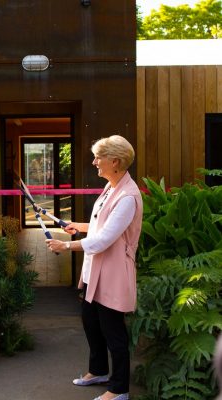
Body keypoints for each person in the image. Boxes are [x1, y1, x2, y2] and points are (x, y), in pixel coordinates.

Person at [46, 135, 143, 400]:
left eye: (98, 157)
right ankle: (99, 370)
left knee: (113, 331)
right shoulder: (111, 187)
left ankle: (119, 388)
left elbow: (104, 239)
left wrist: (66, 246)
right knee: (90, 322)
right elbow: (102, 226)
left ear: (115, 161)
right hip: (95, 270)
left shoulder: (128, 196)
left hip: (113, 274)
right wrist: (79, 226)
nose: (94, 162)